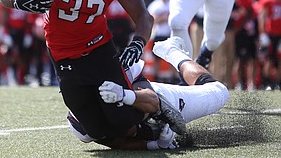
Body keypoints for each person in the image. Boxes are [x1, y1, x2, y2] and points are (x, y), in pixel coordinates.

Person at [0, 0, 185, 143]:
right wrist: (17, 1)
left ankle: (152, 103)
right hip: (63, 55)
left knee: (124, 122)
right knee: (98, 134)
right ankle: (149, 132)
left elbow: (144, 17)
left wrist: (137, 43)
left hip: (99, 50)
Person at [67, 36, 230, 150]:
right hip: (150, 125)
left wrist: (124, 95)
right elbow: (118, 144)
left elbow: (153, 101)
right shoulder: (83, 128)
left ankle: (171, 51)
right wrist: (154, 145)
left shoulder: (111, 78)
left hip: (163, 103)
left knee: (219, 92)